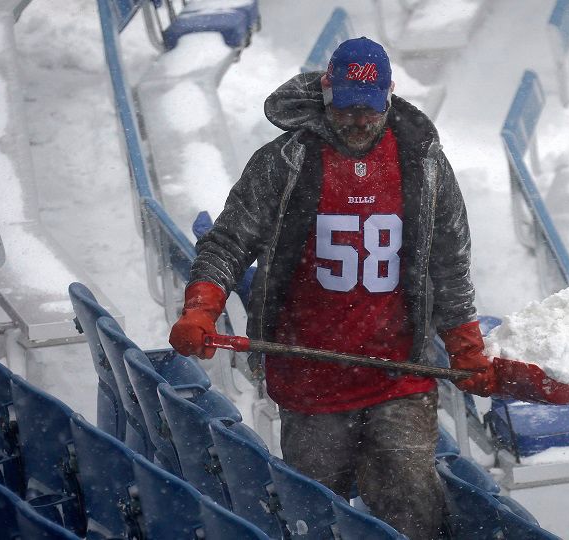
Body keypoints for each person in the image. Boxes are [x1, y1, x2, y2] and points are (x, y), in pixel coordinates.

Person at [169, 36, 495, 540]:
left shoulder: (423, 164)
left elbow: (450, 263)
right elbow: (230, 240)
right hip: (309, 375)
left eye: (370, 110)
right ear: (326, 95)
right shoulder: (286, 161)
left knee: (411, 503)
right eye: (345, 108)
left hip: (398, 371)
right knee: (317, 515)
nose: (358, 121)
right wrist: (202, 307)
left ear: (389, 99)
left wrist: (465, 345)